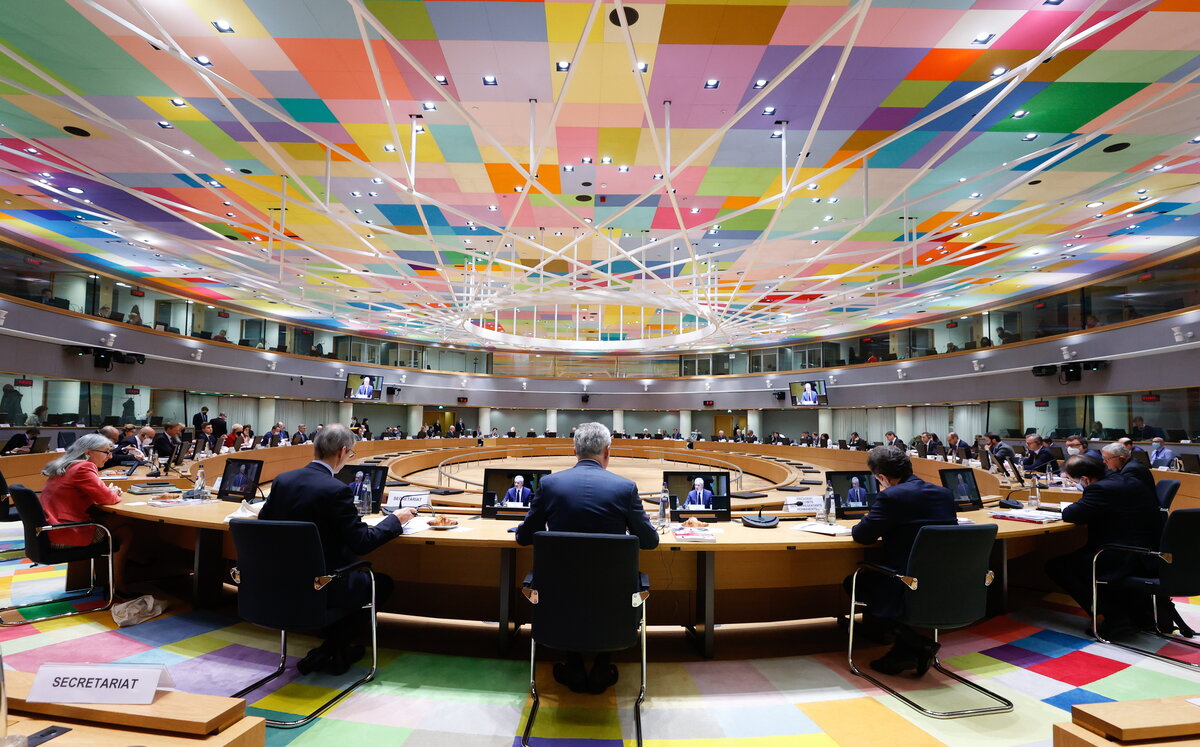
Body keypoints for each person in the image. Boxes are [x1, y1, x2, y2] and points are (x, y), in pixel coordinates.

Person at [259, 424, 416, 675]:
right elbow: (362, 543)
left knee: (346, 577)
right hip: (322, 585)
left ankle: (330, 648)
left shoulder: (282, 480)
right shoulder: (336, 490)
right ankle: (333, 648)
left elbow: (264, 524)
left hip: (281, 583)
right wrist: (395, 520)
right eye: (350, 453)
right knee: (380, 583)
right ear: (342, 451)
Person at [516, 422, 658, 694]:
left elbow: (524, 537)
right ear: (607, 451)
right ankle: (603, 666)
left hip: (559, 600)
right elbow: (650, 542)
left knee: (569, 582)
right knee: (607, 584)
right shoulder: (625, 488)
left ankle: (574, 665)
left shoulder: (549, 485)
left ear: (575, 451)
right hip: (612, 602)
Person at [846, 446, 956, 676]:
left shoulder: (891, 496)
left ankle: (914, 643)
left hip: (902, 581)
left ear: (882, 478)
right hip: (942, 579)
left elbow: (862, 536)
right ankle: (905, 649)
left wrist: (870, 515)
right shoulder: (944, 493)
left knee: (854, 582)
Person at [1046, 455, 1160, 638]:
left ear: (1085, 479)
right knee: (1076, 559)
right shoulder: (1128, 480)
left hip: (1122, 554)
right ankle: (1134, 615)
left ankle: (1114, 618)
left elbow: (1071, 514)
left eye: (1073, 480)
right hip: (1149, 551)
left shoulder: (1100, 488)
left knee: (1058, 567)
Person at [38, 433, 135, 594]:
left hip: (51, 529)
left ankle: (108, 580)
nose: (110, 456)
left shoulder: (67, 466)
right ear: (88, 452)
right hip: (65, 531)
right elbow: (108, 498)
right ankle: (118, 583)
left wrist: (106, 492)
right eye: (106, 452)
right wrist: (114, 492)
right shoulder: (83, 467)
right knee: (127, 526)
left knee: (117, 526)